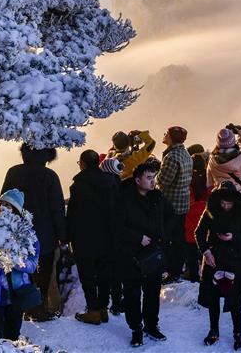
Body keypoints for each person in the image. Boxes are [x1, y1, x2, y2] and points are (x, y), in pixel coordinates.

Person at [1, 143, 66, 321]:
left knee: (17, 270)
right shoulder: (50, 176)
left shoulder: (13, 172)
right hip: (45, 234)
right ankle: (38, 307)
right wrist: (63, 236)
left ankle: (17, 307)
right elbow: (57, 208)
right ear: (47, 156)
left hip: (17, 233)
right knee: (43, 272)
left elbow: (4, 201)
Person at [115, 162, 174, 348]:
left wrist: (162, 238)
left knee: (152, 292)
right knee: (132, 294)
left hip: (153, 253)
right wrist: (137, 237)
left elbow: (171, 217)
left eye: (154, 177)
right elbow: (116, 225)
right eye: (148, 178)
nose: (152, 181)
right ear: (137, 179)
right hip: (130, 254)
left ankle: (151, 325)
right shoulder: (123, 198)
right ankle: (136, 329)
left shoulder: (158, 197)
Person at [195, 182, 241, 350]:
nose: (226, 206)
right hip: (213, 259)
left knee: (235, 299)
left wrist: (233, 238)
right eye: (223, 203)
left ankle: (237, 332)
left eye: (229, 203)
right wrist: (206, 252)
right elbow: (198, 233)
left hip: (235, 260)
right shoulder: (210, 211)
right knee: (212, 297)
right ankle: (214, 330)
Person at [0, 189, 41, 340]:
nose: (4, 208)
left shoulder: (27, 235)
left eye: (9, 205)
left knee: (12, 338)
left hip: (16, 295)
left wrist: (15, 262)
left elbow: (33, 265)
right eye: (2, 204)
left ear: (17, 211)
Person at [67, 149, 118, 325]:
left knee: (87, 275)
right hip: (108, 236)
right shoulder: (111, 182)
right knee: (105, 274)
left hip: (85, 238)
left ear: (83, 163)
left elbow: (73, 214)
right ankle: (104, 308)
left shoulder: (78, 185)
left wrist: (67, 236)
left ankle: (93, 310)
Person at [156, 126, 192, 283]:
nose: (164, 135)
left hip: (171, 204)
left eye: (166, 133)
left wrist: (154, 177)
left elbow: (163, 181)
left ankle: (170, 270)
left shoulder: (171, 157)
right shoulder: (185, 154)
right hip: (183, 202)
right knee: (178, 239)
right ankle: (176, 270)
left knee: (167, 239)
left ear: (171, 137)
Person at [99, 156, 126, 314]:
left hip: (105, 234)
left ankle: (104, 303)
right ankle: (117, 302)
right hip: (119, 235)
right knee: (117, 271)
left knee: (105, 270)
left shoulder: (104, 187)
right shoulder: (120, 186)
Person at [206, 125, 241, 194]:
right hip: (239, 196)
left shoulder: (212, 160)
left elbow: (209, 181)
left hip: (220, 196)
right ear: (233, 141)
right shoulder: (240, 159)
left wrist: (223, 138)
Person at [185, 154, 210, 283]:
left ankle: (193, 277)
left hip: (190, 218)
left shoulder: (188, 180)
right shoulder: (208, 179)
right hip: (204, 218)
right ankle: (205, 276)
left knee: (191, 253)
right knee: (205, 251)